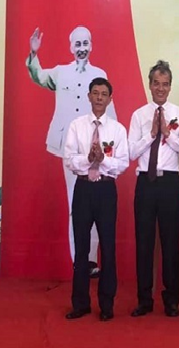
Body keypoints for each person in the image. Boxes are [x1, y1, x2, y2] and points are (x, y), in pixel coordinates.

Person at [27, 26, 116, 276]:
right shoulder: (61, 73)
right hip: (68, 148)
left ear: (91, 45)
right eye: (77, 44)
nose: (81, 48)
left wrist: (108, 149)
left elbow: (110, 113)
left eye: (85, 43)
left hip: (94, 149)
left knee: (95, 204)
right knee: (74, 204)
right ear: (70, 47)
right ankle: (79, 261)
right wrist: (33, 54)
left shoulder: (99, 74)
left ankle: (91, 261)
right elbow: (39, 76)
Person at [63, 77, 129, 322]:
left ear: (110, 99)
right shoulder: (76, 126)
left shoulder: (117, 129)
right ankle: (80, 303)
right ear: (89, 96)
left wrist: (102, 160)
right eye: (95, 93)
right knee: (82, 248)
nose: (99, 98)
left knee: (108, 247)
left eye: (104, 94)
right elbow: (69, 160)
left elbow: (123, 163)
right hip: (83, 189)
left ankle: (107, 304)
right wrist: (88, 158)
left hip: (106, 190)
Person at [128, 61, 179, 318]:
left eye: (165, 84)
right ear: (150, 85)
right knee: (144, 242)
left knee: (170, 242)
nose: (160, 88)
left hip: (169, 183)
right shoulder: (139, 115)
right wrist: (151, 134)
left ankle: (171, 299)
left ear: (170, 86)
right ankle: (144, 299)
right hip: (145, 182)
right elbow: (131, 152)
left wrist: (167, 133)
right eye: (156, 83)